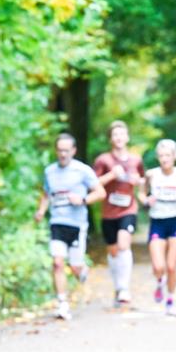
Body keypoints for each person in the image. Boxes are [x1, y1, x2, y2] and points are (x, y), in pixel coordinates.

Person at [35, 133, 106, 320]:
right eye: (60, 150)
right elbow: (46, 194)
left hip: (77, 225)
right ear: (56, 151)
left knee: (75, 267)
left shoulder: (82, 171)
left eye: (67, 150)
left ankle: (81, 271)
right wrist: (41, 210)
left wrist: (83, 199)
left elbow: (101, 192)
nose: (63, 154)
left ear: (73, 151)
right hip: (57, 223)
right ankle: (62, 303)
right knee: (57, 263)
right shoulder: (50, 171)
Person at [138, 139, 176, 316]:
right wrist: (147, 200)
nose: (164, 159)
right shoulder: (151, 174)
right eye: (162, 155)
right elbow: (140, 193)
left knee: (171, 266)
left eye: (168, 155)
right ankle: (159, 282)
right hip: (157, 222)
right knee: (158, 266)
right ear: (158, 157)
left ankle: (170, 301)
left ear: (175, 156)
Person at [93, 121, 145, 308]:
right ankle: (118, 288)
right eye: (115, 135)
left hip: (128, 209)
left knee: (124, 245)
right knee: (113, 252)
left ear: (127, 137)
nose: (119, 138)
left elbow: (142, 181)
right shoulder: (103, 160)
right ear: (110, 139)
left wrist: (138, 182)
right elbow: (93, 183)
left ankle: (124, 288)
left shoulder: (136, 160)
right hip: (108, 212)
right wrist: (111, 176)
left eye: (122, 134)